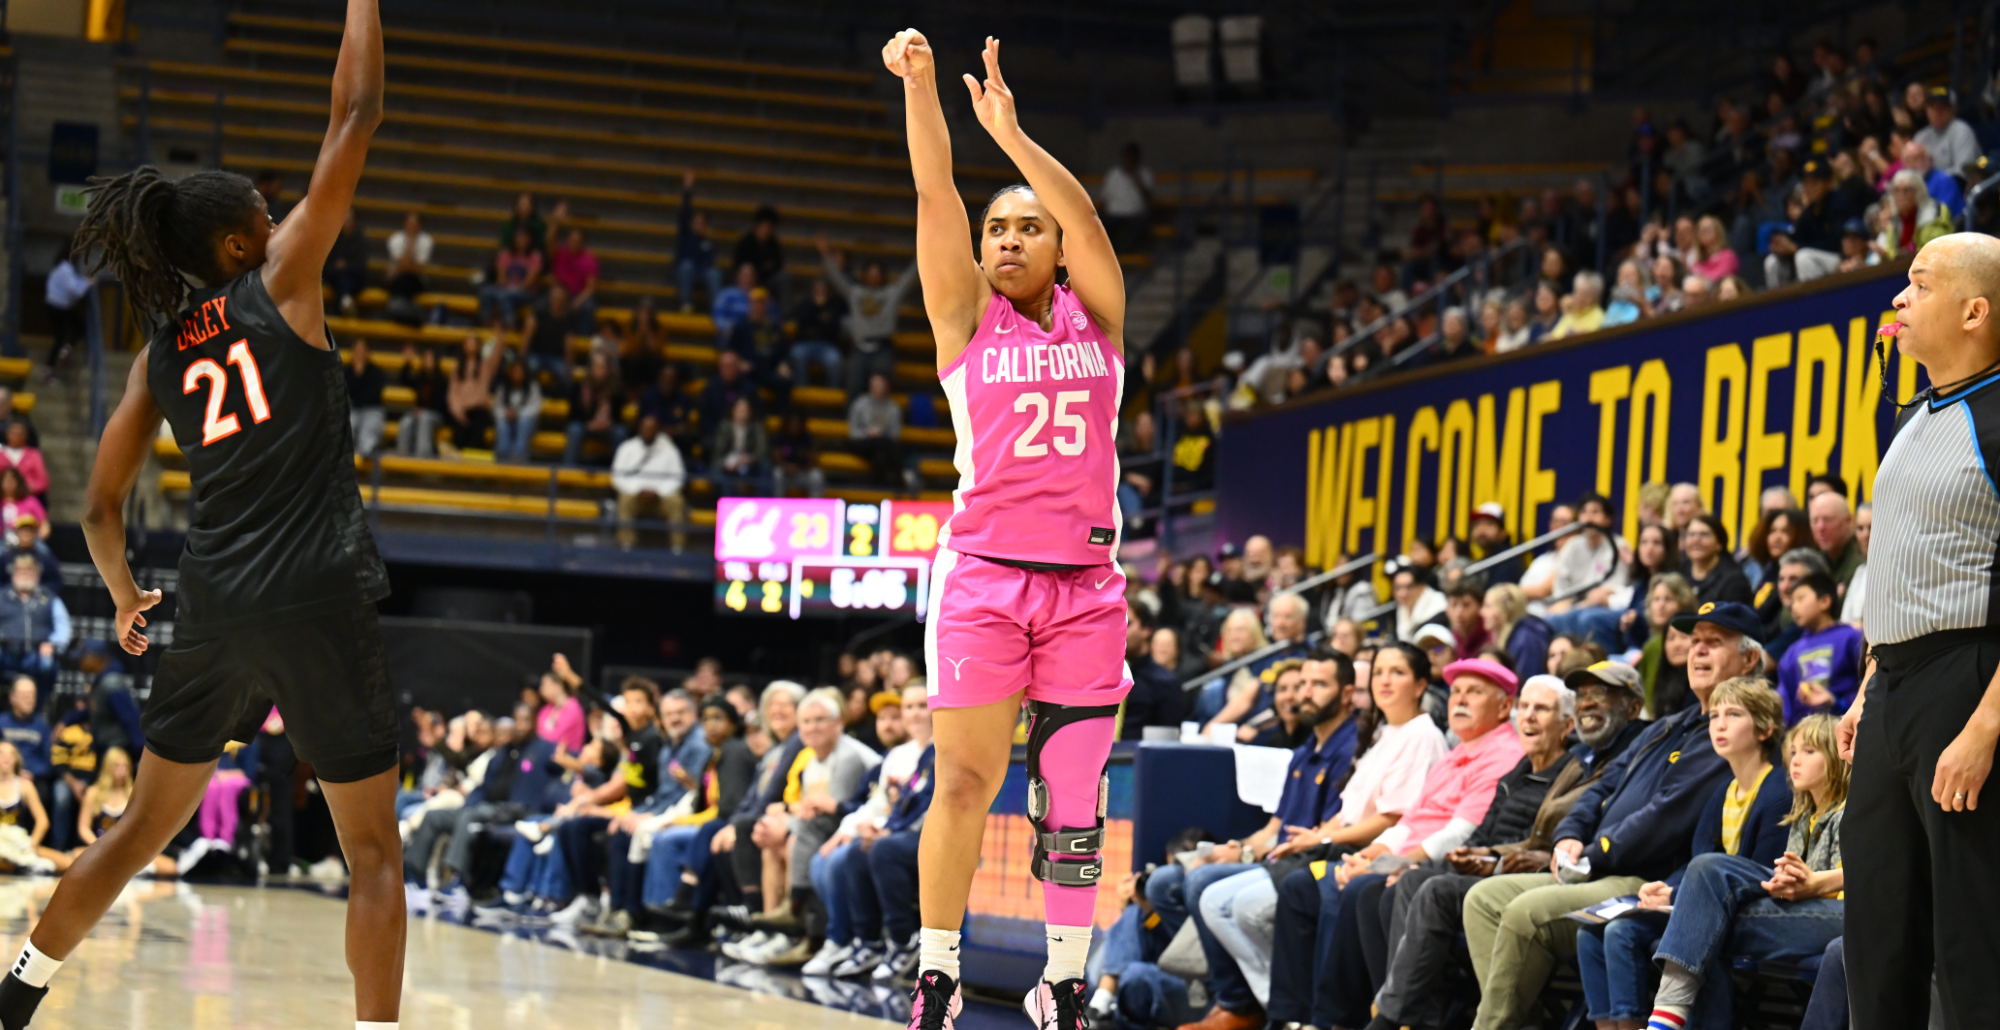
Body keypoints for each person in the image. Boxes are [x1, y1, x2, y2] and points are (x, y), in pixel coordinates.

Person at [38, 3, 400, 1027]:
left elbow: (99, 505)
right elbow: (358, 113)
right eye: (266, 207)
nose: (281, 213)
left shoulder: (161, 352)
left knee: (140, 826)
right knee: (372, 850)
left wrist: (122, 598)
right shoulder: (284, 279)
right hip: (319, 590)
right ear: (246, 238)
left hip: (210, 601)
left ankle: (18, 989)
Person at [887, 28, 1131, 1030]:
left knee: (1074, 802)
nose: (1007, 239)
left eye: (1025, 228)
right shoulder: (962, 317)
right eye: (997, 231)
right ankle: (935, 973)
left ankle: (1063, 979)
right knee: (966, 782)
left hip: (1085, 586)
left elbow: (1077, 206)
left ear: (1057, 249)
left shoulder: (1102, 320)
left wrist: (1014, 136)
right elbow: (934, 194)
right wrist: (920, 88)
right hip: (984, 578)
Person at [1837, 234, 2000, 1028]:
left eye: (1918, 284)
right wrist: (1870, 686)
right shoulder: (1914, 416)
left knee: (1974, 939)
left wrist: (1987, 724)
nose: (1898, 298)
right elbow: (1905, 562)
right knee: (1875, 930)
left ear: (1976, 311)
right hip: (1894, 688)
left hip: (1969, 681)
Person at [1458, 602, 1758, 1030]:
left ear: (1749, 659)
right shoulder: (1667, 725)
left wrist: (1593, 854)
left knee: (1524, 913)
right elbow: (1601, 782)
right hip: (1596, 868)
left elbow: (1665, 815)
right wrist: (1570, 835)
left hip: (1647, 877)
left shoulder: (1730, 730)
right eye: (1694, 643)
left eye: (1715, 643)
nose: (1699, 652)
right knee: (1481, 900)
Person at [1573, 676, 1792, 1029]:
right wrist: (1663, 887)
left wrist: (1677, 892)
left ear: (1765, 729)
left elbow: (1759, 875)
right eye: (1715, 715)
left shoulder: (1779, 790)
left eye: (1733, 715)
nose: (1719, 724)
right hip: (1705, 901)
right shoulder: (1723, 790)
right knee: (1592, 932)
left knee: (1625, 933)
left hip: (1754, 912)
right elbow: (1697, 860)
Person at [1642, 712, 1848, 1029]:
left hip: (1842, 915)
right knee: (1706, 888)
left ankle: (1665, 1020)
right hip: (1802, 910)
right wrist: (1785, 881)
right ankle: (1666, 1019)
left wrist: (1807, 883)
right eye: (1793, 751)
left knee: (1700, 922)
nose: (1795, 761)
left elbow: (1853, 883)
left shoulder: (1849, 812)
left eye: (1809, 752)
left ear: (1837, 758)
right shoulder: (1802, 816)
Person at [819, 235, 920, 399]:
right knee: (852, 390)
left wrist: (923, 250)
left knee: (880, 393)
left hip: (883, 348)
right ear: (864, 275)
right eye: (870, 273)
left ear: (883, 276)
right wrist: (826, 255)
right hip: (859, 348)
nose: (873, 277)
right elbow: (837, 279)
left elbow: (910, 277)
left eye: (877, 274)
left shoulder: (891, 294)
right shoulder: (856, 293)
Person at [1777, 572, 1864, 725]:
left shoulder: (1851, 637)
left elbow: (1867, 684)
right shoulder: (1791, 653)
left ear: (1824, 601)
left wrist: (1837, 703)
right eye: (1792, 601)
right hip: (1804, 735)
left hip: (1847, 725)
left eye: (1801, 599)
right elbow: (1786, 704)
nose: (1793, 607)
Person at [612, 415, 686, 552]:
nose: (648, 431)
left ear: (658, 431)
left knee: (677, 502)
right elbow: (617, 477)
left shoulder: (670, 450)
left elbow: (678, 477)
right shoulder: (627, 448)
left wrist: (659, 492)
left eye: (652, 429)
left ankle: (678, 548)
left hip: (661, 497)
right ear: (640, 429)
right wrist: (637, 490)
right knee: (624, 501)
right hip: (635, 495)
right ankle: (626, 546)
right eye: (645, 428)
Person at [1678, 514, 1752, 606]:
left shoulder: (1734, 581)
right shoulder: (1679, 572)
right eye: (1691, 534)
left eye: (1704, 534)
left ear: (1719, 544)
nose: (1696, 540)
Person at [673, 171, 722, 312]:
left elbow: (708, 263)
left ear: (706, 226)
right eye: (696, 222)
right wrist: (688, 189)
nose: (698, 225)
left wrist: (699, 272)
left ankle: (717, 307)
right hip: (684, 274)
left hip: (700, 275)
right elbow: (684, 212)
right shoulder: (685, 235)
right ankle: (686, 303)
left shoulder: (710, 243)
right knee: (687, 266)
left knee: (714, 273)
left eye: (702, 223)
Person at [1098, 143, 1154, 255]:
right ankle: (1110, 255)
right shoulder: (1113, 174)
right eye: (1127, 156)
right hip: (1113, 214)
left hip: (1135, 215)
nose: (1129, 160)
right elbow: (1104, 199)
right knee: (1098, 223)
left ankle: (1130, 254)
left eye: (1132, 157)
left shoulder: (1145, 174)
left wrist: (1135, 176)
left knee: (1142, 224)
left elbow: (1148, 197)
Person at [490, 359, 542, 463]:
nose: (517, 374)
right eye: (514, 371)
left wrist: (518, 414)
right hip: (508, 422)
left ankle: (519, 455)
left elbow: (536, 407)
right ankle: (502, 453)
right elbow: (496, 408)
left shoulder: (532, 387)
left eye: (519, 371)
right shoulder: (503, 388)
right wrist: (506, 413)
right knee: (501, 422)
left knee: (524, 420)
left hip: (526, 424)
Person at [345, 339, 386, 456]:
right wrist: (357, 374)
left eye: (362, 351)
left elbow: (373, 396)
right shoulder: (346, 372)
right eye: (357, 351)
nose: (359, 354)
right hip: (353, 410)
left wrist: (356, 399)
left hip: (372, 410)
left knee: (368, 431)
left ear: (368, 353)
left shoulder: (377, 373)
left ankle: (367, 455)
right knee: (348, 424)